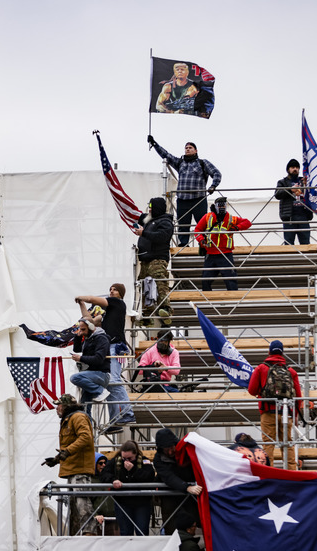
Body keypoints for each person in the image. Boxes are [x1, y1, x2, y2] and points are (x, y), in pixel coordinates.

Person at [76, 285, 136, 430]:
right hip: (111, 346)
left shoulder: (118, 303)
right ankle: (116, 418)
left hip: (115, 346)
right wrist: (82, 304)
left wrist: (83, 297)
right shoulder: (107, 314)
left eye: (114, 289)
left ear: (121, 294)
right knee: (110, 381)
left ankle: (127, 414)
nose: (111, 291)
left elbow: (93, 299)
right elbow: (88, 321)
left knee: (114, 380)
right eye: (110, 289)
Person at [146, 136, 222, 246]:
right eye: (186, 147)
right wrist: (154, 144)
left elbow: (216, 173)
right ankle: (183, 245)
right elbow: (166, 155)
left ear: (196, 151)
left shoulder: (202, 163)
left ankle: (205, 243)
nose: (187, 149)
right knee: (183, 224)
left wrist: (213, 186)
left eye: (190, 147)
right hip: (183, 200)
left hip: (199, 199)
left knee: (203, 223)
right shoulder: (180, 163)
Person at [41, 394, 97, 536]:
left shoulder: (77, 417)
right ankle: (77, 534)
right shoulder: (70, 419)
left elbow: (85, 437)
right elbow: (71, 447)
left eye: (58, 405)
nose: (56, 408)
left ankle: (89, 532)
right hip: (74, 469)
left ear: (66, 406)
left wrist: (65, 453)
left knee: (82, 502)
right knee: (75, 505)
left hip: (80, 469)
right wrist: (56, 459)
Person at [247, 340, 303, 469]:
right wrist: (294, 415)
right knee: (288, 443)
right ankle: (291, 472)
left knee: (268, 444)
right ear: (282, 353)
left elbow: (251, 390)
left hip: (267, 412)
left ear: (269, 351)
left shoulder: (261, 368)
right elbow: (298, 396)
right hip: (286, 413)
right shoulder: (290, 371)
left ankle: (269, 471)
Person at [194, 197, 252, 291]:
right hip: (211, 253)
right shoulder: (208, 217)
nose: (222, 207)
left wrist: (236, 228)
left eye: (223, 205)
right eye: (220, 205)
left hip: (225, 253)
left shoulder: (231, 218)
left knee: (230, 280)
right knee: (205, 280)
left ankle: (233, 300)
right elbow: (197, 230)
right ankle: (208, 301)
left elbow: (247, 223)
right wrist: (201, 240)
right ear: (215, 206)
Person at [99, 440, 156, 536]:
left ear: (136, 454)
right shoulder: (116, 461)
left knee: (142, 532)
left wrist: (133, 470)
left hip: (141, 502)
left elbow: (149, 477)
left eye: (130, 458)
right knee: (125, 533)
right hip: (122, 502)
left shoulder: (143, 461)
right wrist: (113, 480)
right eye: (124, 458)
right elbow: (104, 474)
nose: (126, 461)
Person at [135, 197, 175, 327]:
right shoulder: (149, 220)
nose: (149, 209)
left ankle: (166, 308)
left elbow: (162, 237)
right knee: (144, 285)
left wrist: (144, 233)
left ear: (157, 208)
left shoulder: (165, 222)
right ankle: (147, 315)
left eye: (151, 207)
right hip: (145, 259)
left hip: (157, 258)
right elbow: (135, 214)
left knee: (159, 280)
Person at [154, 428, 202, 534]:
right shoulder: (158, 459)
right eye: (167, 450)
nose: (171, 452)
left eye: (172, 447)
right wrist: (187, 487)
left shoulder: (186, 451)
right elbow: (168, 477)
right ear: (161, 449)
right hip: (170, 497)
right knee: (171, 526)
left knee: (193, 522)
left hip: (191, 496)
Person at [68, 318, 112, 405]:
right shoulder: (89, 339)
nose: (82, 332)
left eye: (83, 329)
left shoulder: (101, 339)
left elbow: (98, 359)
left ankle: (101, 391)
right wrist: (77, 337)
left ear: (91, 327)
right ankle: (86, 417)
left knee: (75, 378)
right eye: (80, 329)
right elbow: (77, 349)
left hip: (101, 374)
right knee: (85, 404)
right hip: (91, 375)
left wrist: (81, 358)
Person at [275, 159, 312, 245]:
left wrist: (307, 185)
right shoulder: (282, 182)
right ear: (288, 169)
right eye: (292, 167)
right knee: (289, 244)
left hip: (303, 216)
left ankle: (305, 258)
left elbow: (312, 195)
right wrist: (290, 190)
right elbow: (277, 194)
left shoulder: (304, 181)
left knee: (306, 244)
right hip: (289, 217)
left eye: (297, 167)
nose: (295, 169)